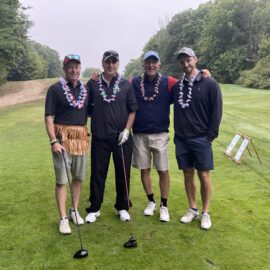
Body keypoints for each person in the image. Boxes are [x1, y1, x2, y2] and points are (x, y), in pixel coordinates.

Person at [171, 47, 222, 230]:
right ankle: (192, 209)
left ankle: (205, 213)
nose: (186, 64)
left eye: (188, 60)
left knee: (204, 175)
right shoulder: (177, 86)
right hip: (182, 139)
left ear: (195, 59)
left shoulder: (210, 83)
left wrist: (210, 135)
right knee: (188, 174)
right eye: (182, 61)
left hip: (201, 138)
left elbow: (216, 111)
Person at [85, 50, 138, 223]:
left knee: (123, 173)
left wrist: (127, 130)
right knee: (98, 173)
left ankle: (122, 206)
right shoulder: (93, 84)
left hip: (121, 138)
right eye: (107, 62)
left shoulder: (125, 84)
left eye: (114, 62)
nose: (110, 65)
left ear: (118, 63)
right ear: (102, 63)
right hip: (100, 137)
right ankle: (94, 208)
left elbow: (132, 110)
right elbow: (84, 106)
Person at [45, 54, 89, 234]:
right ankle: (63, 218)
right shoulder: (55, 89)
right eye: (70, 66)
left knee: (78, 177)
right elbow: (49, 118)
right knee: (62, 179)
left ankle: (74, 210)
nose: (74, 70)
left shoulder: (85, 90)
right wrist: (53, 141)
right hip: (62, 138)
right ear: (64, 69)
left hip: (80, 137)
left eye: (77, 66)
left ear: (80, 68)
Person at [132, 51, 177, 222]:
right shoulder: (135, 82)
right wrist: (98, 79)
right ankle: (151, 201)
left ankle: (164, 205)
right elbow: (118, 86)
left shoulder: (168, 82)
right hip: (140, 133)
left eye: (154, 62)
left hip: (160, 133)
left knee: (163, 170)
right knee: (145, 169)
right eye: (148, 62)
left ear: (159, 64)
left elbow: (188, 85)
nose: (151, 65)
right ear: (143, 64)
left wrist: (203, 75)